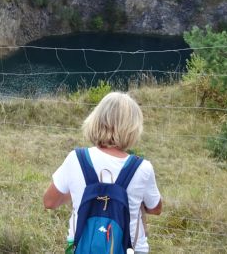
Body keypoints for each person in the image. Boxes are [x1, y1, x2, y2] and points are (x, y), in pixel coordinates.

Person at [43, 92, 163, 254]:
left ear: (96, 120)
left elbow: (49, 202)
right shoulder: (142, 168)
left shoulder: (76, 159)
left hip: (82, 247)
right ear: (133, 128)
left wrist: (80, 192)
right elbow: (155, 209)